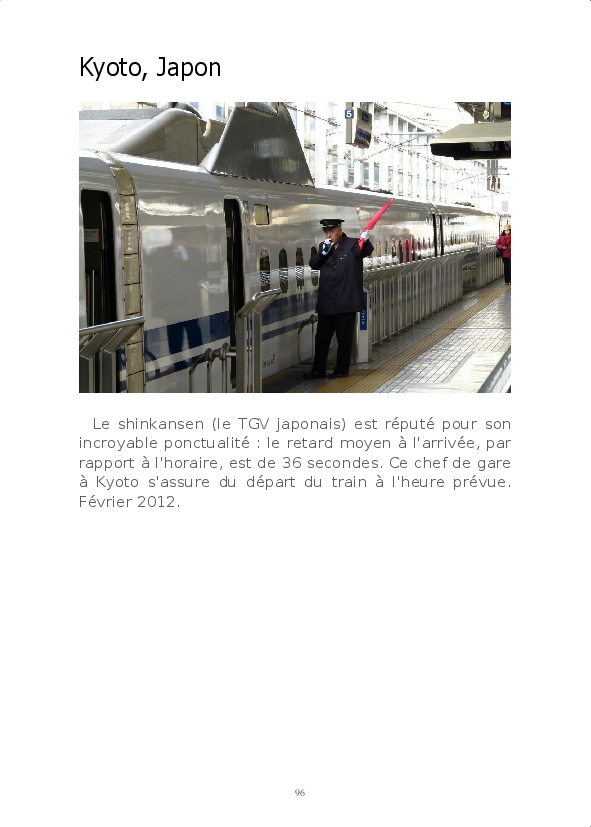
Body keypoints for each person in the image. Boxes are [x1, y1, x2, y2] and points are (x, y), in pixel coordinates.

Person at [304, 218, 374, 379]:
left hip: (345, 301)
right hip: (327, 301)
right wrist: (322, 253)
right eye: (326, 232)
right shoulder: (324, 246)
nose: (328, 235)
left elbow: (364, 251)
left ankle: (341, 370)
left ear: (340, 231)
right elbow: (313, 264)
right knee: (322, 338)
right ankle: (318, 370)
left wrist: (365, 240)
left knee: (344, 339)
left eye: (332, 232)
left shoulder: (353, 244)